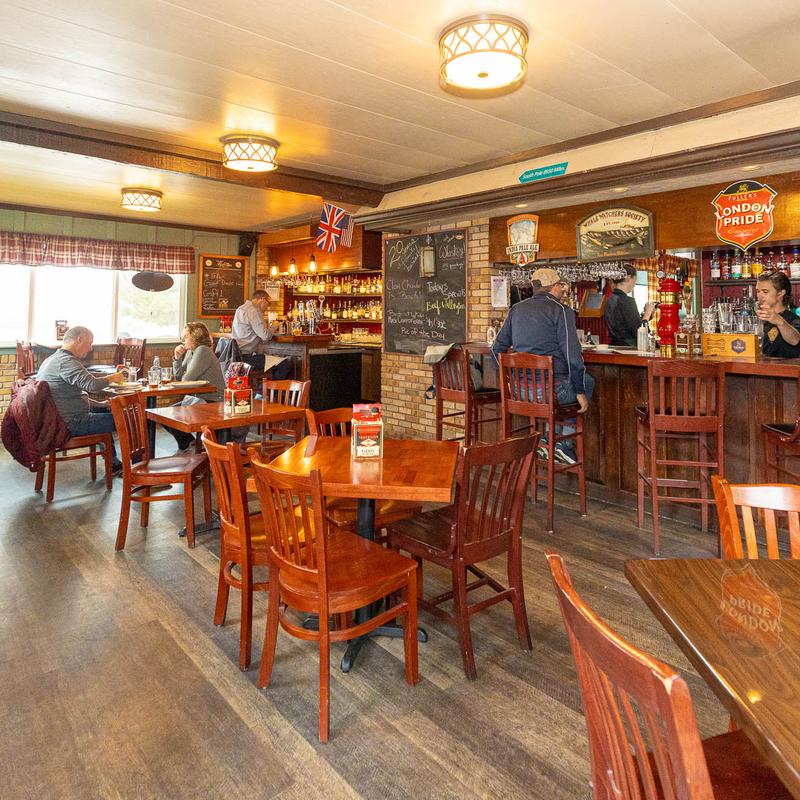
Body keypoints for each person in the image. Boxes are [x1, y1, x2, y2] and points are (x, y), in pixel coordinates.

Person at [491, 267, 594, 464]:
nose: (562, 290)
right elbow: (573, 356)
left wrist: (509, 380)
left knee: (564, 386)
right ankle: (564, 445)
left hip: (519, 393)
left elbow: (496, 349)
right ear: (554, 287)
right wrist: (579, 391)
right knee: (586, 382)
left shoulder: (516, 309)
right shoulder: (562, 311)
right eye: (560, 286)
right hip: (549, 394)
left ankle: (548, 440)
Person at [36, 326, 126, 471]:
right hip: (71, 424)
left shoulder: (52, 359)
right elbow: (92, 385)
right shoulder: (67, 362)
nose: (90, 348)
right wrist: (114, 377)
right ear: (79, 340)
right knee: (130, 419)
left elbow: (72, 396)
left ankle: (113, 463)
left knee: (105, 413)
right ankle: (137, 469)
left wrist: (101, 404)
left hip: (58, 420)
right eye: (90, 343)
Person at [169, 322, 226, 451]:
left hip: (214, 400)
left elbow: (186, 380)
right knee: (166, 415)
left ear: (195, 337)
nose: (182, 340)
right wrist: (177, 358)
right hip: (199, 398)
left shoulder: (203, 351)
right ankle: (189, 444)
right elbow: (179, 377)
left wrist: (184, 376)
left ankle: (188, 445)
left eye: (186, 336)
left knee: (170, 413)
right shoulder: (191, 352)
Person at [232, 290, 291, 378]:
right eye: (268, 303)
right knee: (285, 363)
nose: (267, 307)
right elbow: (265, 336)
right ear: (262, 299)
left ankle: (265, 385)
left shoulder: (241, 308)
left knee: (272, 359)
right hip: (247, 358)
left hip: (236, 356)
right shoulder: (254, 310)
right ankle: (269, 386)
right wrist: (274, 326)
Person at [603, 265, 656, 346]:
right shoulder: (627, 301)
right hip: (627, 347)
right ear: (629, 277)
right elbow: (638, 331)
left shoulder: (610, 299)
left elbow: (627, 323)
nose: (635, 284)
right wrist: (648, 313)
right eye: (635, 279)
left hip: (614, 345)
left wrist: (645, 315)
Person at [756, 271, 800, 357]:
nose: (759, 295)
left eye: (765, 292)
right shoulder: (757, 319)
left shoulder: (793, 319)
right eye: (758, 291)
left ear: (781, 293)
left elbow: (795, 340)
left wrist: (780, 322)